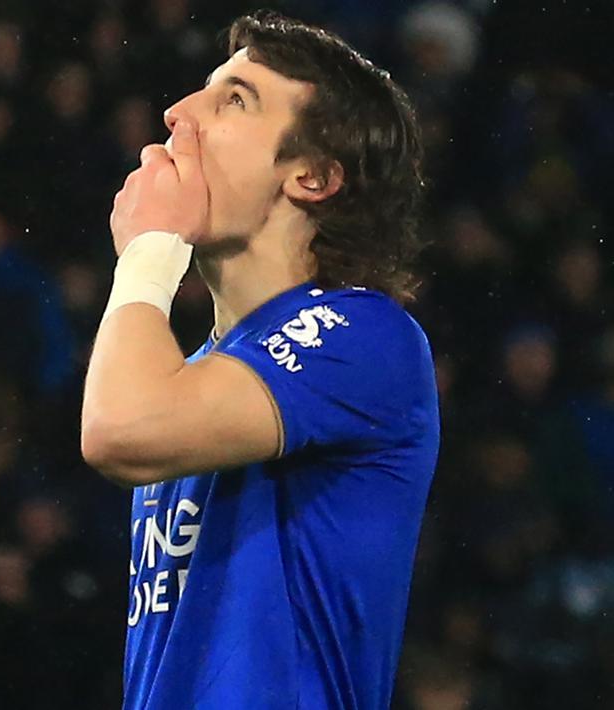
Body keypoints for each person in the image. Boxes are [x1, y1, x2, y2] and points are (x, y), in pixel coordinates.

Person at [80, 12, 439, 710]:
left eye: (234, 100)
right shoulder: (194, 373)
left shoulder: (365, 336)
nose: (177, 114)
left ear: (311, 176)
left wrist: (151, 248)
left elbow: (119, 429)